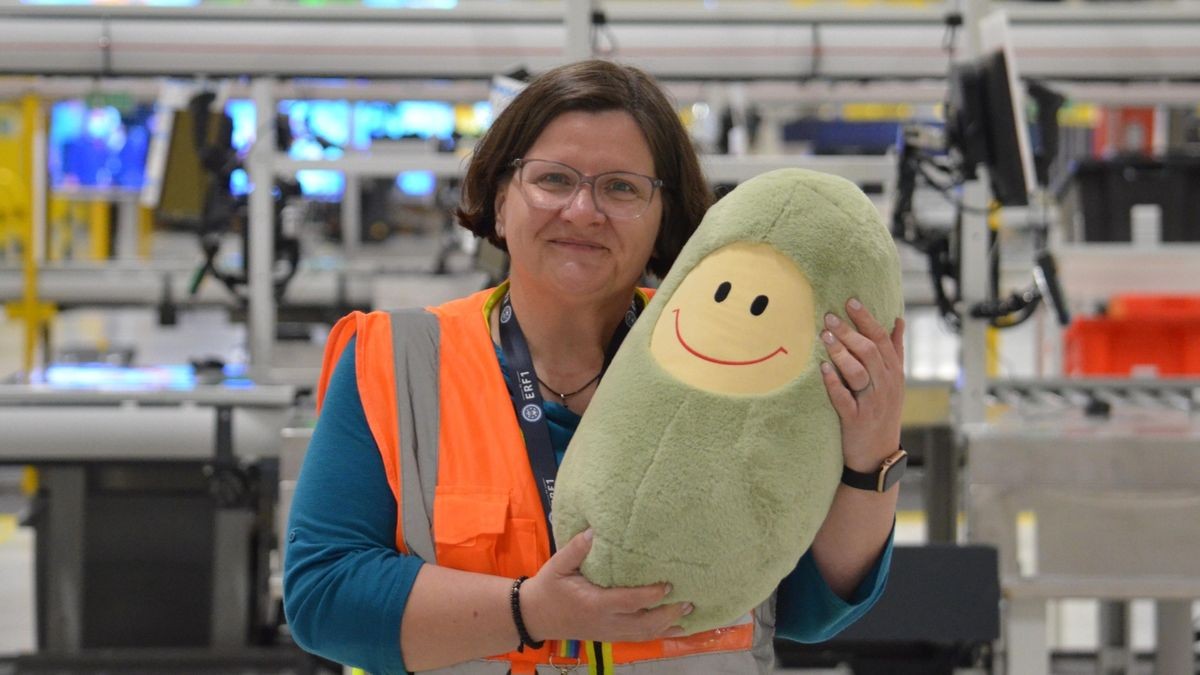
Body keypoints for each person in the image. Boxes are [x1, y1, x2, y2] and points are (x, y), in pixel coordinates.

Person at [284, 59, 905, 675]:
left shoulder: (733, 349)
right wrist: (530, 612)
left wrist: (872, 457)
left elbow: (805, 609)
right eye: (553, 180)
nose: (583, 210)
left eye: (622, 188)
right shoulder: (397, 360)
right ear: (501, 202)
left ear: (667, 221)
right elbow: (324, 597)